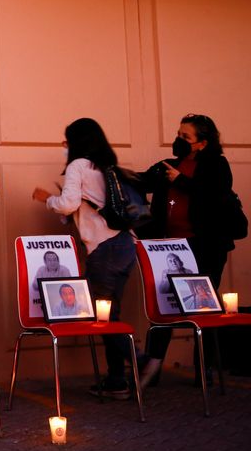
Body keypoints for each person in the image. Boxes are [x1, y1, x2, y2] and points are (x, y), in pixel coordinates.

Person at [32, 118, 136, 400]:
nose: (64, 146)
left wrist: (47, 199)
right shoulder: (106, 168)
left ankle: (142, 360)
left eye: (67, 141)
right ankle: (118, 380)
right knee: (110, 315)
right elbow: (85, 207)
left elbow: (68, 203)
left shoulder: (79, 166)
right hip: (125, 245)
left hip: (105, 249)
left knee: (104, 318)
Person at [137, 114, 239, 389]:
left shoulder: (217, 164)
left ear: (202, 144)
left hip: (206, 246)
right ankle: (153, 366)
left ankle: (203, 369)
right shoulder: (170, 165)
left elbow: (215, 195)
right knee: (165, 303)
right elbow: (141, 181)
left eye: (185, 137)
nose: (178, 140)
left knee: (202, 306)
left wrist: (181, 180)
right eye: (178, 134)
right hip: (172, 246)